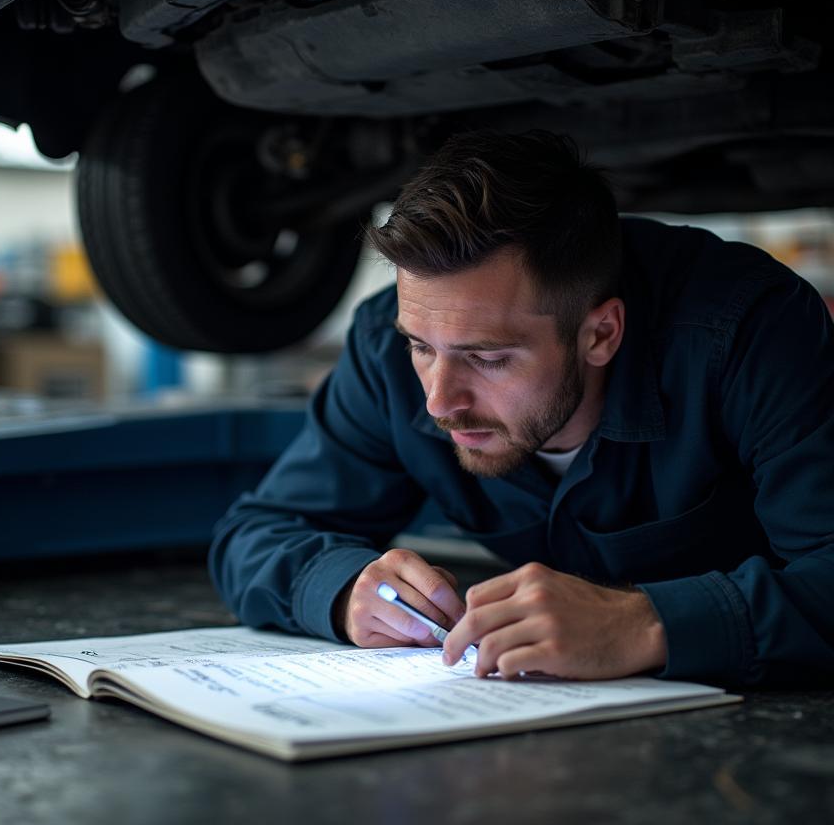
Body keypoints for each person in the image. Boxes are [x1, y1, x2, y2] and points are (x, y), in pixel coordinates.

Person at [209, 129, 834, 686]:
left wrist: (646, 626)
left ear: (600, 334)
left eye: (488, 358)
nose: (438, 400)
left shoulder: (748, 333)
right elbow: (255, 534)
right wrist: (344, 590)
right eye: (422, 347)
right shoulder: (385, 348)